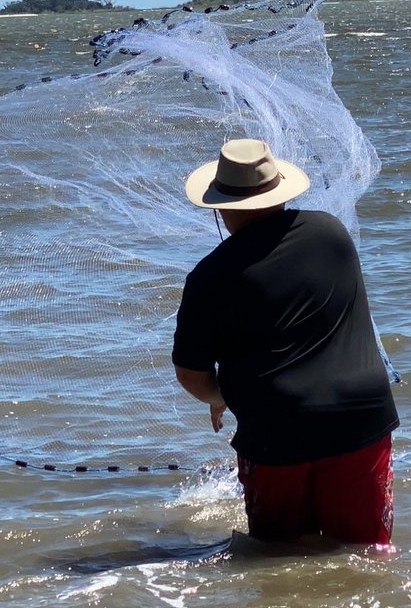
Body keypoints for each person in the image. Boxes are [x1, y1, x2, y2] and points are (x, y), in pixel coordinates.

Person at [171, 138, 399, 545]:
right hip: (360, 417)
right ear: (279, 190)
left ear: (221, 208)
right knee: (369, 552)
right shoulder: (331, 233)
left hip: (276, 433)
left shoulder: (209, 278)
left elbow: (191, 374)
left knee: (278, 559)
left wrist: (220, 396)